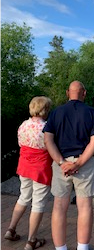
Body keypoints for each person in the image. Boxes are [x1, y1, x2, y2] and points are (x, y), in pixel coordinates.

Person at [43, 81, 94, 250]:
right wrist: (78, 163)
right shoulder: (92, 112)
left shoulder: (56, 113)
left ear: (67, 93)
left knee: (59, 207)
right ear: (84, 93)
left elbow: (48, 140)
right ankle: (82, 248)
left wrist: (62, 163)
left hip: (60, 165)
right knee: (85, 207)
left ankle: (60, 248)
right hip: (84, 164)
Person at [4, 96, 52, 250]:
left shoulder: (23, 125)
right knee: (38, 203)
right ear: (45, 110)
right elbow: (51, 148)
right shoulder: (47, 128)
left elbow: (21, 144)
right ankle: (31, 241)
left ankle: (11, 229)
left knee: (23, 197)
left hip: (24, 166)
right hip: (40, 169)